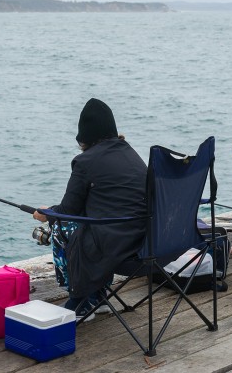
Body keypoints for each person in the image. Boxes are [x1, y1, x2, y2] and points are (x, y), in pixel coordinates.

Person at [32, 98, 147, 320]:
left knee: (60, 228)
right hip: (147, 243)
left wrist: (46, 214)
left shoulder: (84, 162)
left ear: (84, 136)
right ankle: (98, 297)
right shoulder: (131, 154)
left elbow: (68, 211)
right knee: (90, 227)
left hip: (118, 249)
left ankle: (81, 299)